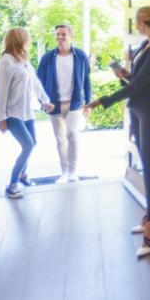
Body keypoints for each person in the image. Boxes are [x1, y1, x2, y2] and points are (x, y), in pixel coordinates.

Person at [85, 6, 150, 257]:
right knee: (146, 165)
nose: (135, 26)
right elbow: (137, 81)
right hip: (139, 110)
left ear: (144, 23)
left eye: (137, 22)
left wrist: (102, 101)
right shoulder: (147, 46)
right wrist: (123, 74)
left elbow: (139, 86)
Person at [0, 27, 54, 199]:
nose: (29, 41)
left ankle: (23, 175)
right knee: (27, 146)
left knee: (33, 143)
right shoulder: (7, 61)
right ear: (20, 40)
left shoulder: (24, 61)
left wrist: (45, 101)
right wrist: (1, 118)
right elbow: (1, 91)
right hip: (12, 113)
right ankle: (12, 184)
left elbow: (35, 83)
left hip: (27, 113)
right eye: (27, 38)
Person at [36, 24, 92, 184]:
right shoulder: (47, 58)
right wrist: (43, 102)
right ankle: (64, 172)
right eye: (57, 35)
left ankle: (73, 172)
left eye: (63, 35)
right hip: (54, 104)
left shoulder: (80, 56)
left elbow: (87, 80)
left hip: (74, 103)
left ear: (71, 36)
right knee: (60, 139)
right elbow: (38, 82)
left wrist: (88, 102)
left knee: (72, 135)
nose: (60, 38)